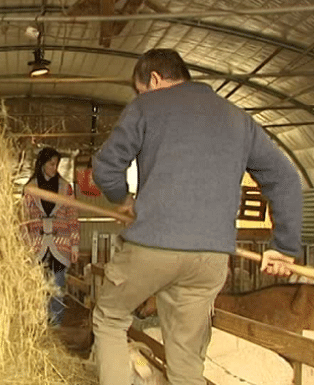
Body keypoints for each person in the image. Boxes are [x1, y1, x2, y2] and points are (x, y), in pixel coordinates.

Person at [91, 48, 303, 385]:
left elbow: (105, 168)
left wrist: (123, 198)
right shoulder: (239, 118)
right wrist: (285, 246)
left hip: (153, 247)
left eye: (140, 89)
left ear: (155, 79)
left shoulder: (147, 106)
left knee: (110, 318)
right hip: (211, 258)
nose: (140, 96)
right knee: (185, 359)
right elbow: (286, 179)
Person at [23, 147, 80, 326]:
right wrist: (24, 245)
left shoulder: (65, 188)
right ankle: (38, 321)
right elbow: (24, 218)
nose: (54, 168)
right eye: (51, 164)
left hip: (60, 243)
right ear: (42, 164)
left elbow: (72, 216)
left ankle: (55, 323)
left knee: (57, 283)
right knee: (37, 283)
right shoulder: (30, 188)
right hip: (37, 244)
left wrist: (75, 245)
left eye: (57, 164)